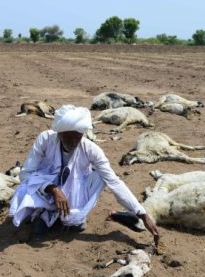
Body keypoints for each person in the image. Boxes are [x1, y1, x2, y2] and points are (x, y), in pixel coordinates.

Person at [9, 104, 159, 243]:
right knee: (25, 188)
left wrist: (142, 214)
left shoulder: (91, 149)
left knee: (101, 177)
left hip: (74, 193)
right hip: (45, 191)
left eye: (77, 136)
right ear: (59, 133)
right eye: (68, 136)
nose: (73, 141)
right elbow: (26, 174)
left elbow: (115, 183)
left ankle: (70, 216)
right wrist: (52, 189)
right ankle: (45, 214)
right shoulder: (45, 139)